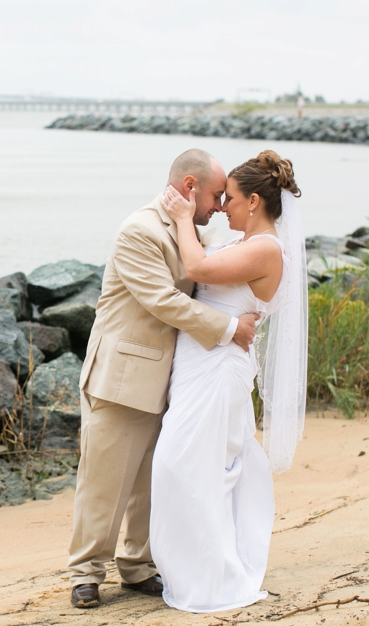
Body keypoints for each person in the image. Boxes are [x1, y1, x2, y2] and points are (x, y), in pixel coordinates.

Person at [68, 149, 259, 609]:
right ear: (190, 187)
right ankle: (86, 571)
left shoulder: (187, 228)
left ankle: (136, 566)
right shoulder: (139, 229)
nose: (218, 205)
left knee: (150, 481)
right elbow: (161, 300)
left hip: (172, 378)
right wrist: (231, 330)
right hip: (124, 373)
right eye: (215, 195)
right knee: (105, 480)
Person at [150, 150, 308, 613]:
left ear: (255, 201)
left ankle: (212, 580)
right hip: (202, 367)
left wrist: (182, 215)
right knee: (196, 469)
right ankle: (200, 571)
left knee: (183, 468)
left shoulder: (265, 248)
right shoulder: (249, 243)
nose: (222, 207)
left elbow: (197, 269)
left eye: (231, 199)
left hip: (218, 371)